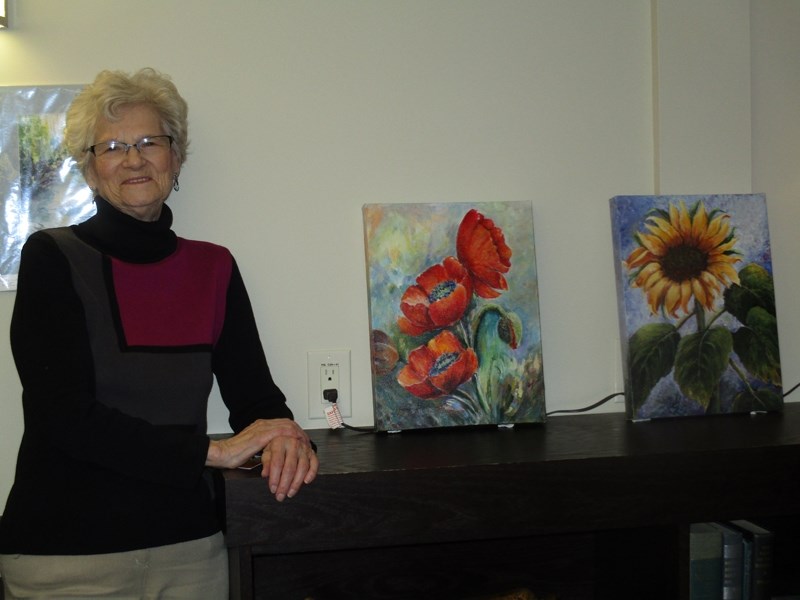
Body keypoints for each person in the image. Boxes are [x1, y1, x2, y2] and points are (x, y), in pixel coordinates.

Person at [0, 67, 318, 599]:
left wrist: (286, 438)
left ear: (176, 157)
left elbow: (256, 399)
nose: (133, 158)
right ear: (89, 169)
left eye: (150, 141)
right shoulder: (52, 257)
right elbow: (64, 416)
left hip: (190, 552)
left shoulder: (213, 267)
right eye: (112, 146)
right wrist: (211, 453)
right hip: (65, 556)